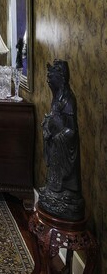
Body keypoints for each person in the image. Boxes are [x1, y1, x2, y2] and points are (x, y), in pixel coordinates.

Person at [39, 59, 85, 220]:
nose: (48, 81)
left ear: (61, 78)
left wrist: (57, 136)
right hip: (56, 143)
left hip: (63, 145)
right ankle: (53, 189)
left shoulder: (68, 99)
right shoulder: (57, 96)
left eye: (51, 77)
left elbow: (71, 129)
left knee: (62, 170)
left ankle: (63, 192)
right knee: (54, 170)